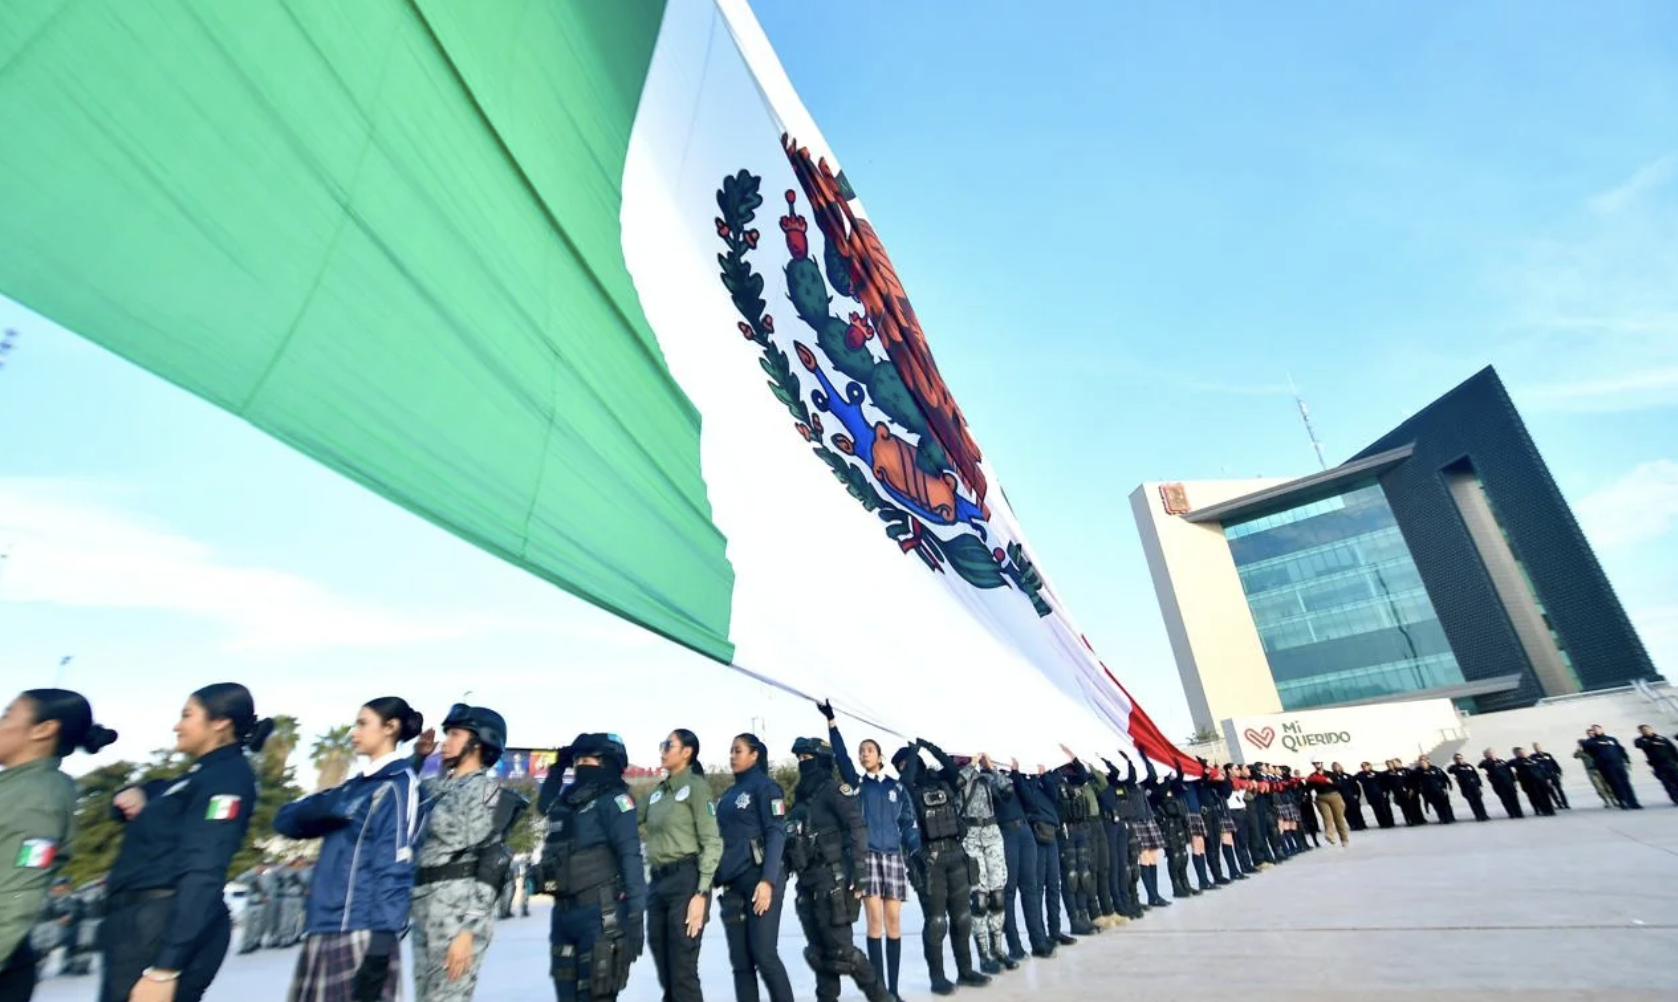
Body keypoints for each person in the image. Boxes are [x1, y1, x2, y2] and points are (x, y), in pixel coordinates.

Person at [100, 683, 265, 1002]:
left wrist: (166, 967)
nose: (177, 725)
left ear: (220, 722)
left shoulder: (228, 778)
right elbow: (160, 794)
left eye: (187, 715)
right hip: (139, 924)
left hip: (160, 926)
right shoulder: (198, 776)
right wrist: (136, 792)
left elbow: (204, 869)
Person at [275, 696, 424, 1002]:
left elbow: (395, 865)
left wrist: (380, 947)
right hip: (323, 926)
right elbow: (285, 821)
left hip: (362, 931)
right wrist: (326, 808)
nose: (353, 732)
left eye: (362, 723)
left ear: (390, 727)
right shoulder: (352, 788)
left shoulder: (398, 784)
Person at [0, 689, 115, 1002]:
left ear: (44, 729)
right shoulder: (15, 786)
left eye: (7, 715)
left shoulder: (38, 797)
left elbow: (19, 892)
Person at [410, 704, 524, 1002]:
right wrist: (417, 757)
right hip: (424, 907)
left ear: (478, 742)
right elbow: (398, 795)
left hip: (457, 913)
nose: (445, 742)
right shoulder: (434, 787)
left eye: (455, 734)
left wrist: (468, 932)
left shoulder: (487, 792)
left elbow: (492, 861)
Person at [535, 733, 647, 1002]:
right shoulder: (567, 801)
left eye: (588, 760)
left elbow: (631, 856)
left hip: (600, 915)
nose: (581, 766)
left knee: (596, 995)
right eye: (578, 761)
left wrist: (636, 915)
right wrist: (557, 768)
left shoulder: (616, 800)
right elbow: (544, 804)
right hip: (563, 915)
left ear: (608, 762)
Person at [786, 737, 890, 1002]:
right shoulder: (801, 798)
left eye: (807, 758)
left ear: (821, 760)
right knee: (819, 953)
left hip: (832, 880)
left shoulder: (833, 790)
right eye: (799, 759)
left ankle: (882, 998)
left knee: (843, 953)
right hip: (807, 882)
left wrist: (860, 870)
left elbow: (857, 826)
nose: (802, 763)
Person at [824, 710, 919, 999]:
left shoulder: (896, 787)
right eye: (861, 751)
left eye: (869, 750)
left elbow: (908, 823)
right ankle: (880, 992)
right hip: (868, 859)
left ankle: (893, 990)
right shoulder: (857, 786)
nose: (864, 754)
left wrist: (916, 849)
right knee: (875, 923)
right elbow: (841, 758)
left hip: (893, 859)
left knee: (894, 924)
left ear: (879, 756)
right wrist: (832, 724)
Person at [894, 740, 987, 994]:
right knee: (936, 922)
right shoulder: (906, 790)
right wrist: (913, 752)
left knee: (962, 918)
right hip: (929, 861)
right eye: (902, 764)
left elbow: (954, 772)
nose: (907, 767)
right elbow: (907, 780)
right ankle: (937, 977)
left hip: (956, 853)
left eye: (909, 762)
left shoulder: (942, 781)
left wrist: (931, 748)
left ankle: (965, 971)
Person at [640, 729, 722, 1002]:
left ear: (686, 752)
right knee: (665, 968)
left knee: (682, 971)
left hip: (686, 882)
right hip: (657, 884)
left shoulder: (696, 788)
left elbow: (712, 841)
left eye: (668, 745)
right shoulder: (658, 792)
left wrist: (701, 893)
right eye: (662, 745)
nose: (662, 751)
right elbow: (630, 817)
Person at [714, 733, 794, 1002]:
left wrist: (768, 881)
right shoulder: (728, 795)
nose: (732, 756)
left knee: (764, 954)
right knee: (741, 962)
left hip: (760, 878)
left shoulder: (766, 788)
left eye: (738, 750)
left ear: (754, 754)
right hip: (733, 883)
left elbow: (776, 833)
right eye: (731, 751)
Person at [1010, 766, 1071, 953]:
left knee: (1053, 885)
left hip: (1051, 833)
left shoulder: (1044, 780)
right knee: (1036, 888)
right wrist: (1019, 773)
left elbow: (1054, 795)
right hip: (1036, 834)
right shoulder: (1021, 781)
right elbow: (1030, 800)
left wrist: (1043, 775)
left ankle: (1055, 931)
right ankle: (1040, 935)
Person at [995, 760, 1048, 959]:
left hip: (1025, 831)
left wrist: (1017, 774)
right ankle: (1014, 946)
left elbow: (1032, 802)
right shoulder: (985, 777)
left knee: (1030, 888)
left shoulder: (1014, 776)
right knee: (1008, 891)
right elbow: (1003, 794)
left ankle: (1039, 942)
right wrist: (991, 768)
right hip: (1005, 833)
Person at [1580, 726, 1641, 810]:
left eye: (1598, 729)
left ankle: (1634, 802)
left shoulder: (1611, 739)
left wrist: (1627, 760)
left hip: (1618, 763)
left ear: (1601, 729)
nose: (1596, 731)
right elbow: (1586, 750)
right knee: (1615, 783)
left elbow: (1621, 749)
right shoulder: (1590, 742)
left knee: (1626, 783)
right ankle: (1623, 801)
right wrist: (1597, 743)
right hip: (1606, 766)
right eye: (1594, 730)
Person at [1304, 763, 1349, 846]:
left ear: (1321, 763)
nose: (1316, 765)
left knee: (1339, 819)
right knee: (1327, 817)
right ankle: (1330, 835)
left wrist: (1331, 782)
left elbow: (1339, 785)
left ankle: (1344, 839)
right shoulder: (1312, 775)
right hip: (1321, 798)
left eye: (1318, 763)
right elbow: (1308, 789)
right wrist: (1307, 783)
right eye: (1314, 764)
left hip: (1334, 796)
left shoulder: (1330, 774)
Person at [1633, 725, 1678, 805]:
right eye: (1643, 730)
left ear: (1652, 729)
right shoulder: (1641, 740)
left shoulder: (1662, 738)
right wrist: (1652, 743)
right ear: (1640, 732)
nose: (1646, 731)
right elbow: (1638, 745)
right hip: (1658, 765)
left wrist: (1676, 760)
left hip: (1670, 763)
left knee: (1676, 780)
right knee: (1667, 783)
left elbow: (1673, 749)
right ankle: (1675, 799)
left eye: (1647, 729)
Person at [1478, 749, 1524, 819]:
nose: (1492, 754)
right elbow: (1480, 766)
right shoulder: (1487, 762)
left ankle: (1519, 813)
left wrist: (1514, 780)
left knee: (1514, 798)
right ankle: (1512, 813)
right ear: (1486, 755)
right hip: (1499, 784)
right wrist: (1490, 760)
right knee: (1505, 799)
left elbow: (1509, 771)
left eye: (1493, 752)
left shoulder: (1501, 761)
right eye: (1489, 753)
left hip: (1509, 782)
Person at [1510, 748, 1555, 817]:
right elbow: (1510, 764)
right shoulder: (1516, 761)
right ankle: (1543, 810)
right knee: (1537, 797)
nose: (1523, 754)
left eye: (1524, 752)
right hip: (1529, 783)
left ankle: (1550, 810)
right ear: (1518, 754)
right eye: (1521, 753)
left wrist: (1547, 778)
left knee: (1545, 795)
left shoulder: (1534, 759)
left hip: (1541, 780)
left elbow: (1541, 769)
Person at [1574, 741, 1619, 809]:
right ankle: (1606, 801)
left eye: (1581, 744)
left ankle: (1614, 800)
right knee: (1598, 787)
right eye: (1580, 744)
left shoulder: (1593, 750)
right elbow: (1575, 756)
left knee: (1607, 785)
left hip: (1600, 769)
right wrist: (1578, 748)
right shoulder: (1582, 753)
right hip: (1591, 771)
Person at [1446, 754, 1489, 822]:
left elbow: (1476, 774)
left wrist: (1479, 784)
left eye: (1460, 758)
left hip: (1474, 786)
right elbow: (1449, 771)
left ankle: (1484, 815)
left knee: (1479, 801)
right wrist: (1457, 766)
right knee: (1472, 801)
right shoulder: (1454, 767)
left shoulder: (1469, 766)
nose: (1459, 759)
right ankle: (1478, 816)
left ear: (1463, 758)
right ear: (1455, 760)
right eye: (1457, 759)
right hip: (1465, 787)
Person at [1412, 757, 1454, 824]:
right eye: (1421, 763)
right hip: (1429, 792)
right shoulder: (1418, 771)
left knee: (1444, 804)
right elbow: (1414, 781)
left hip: (1439, 790)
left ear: (1427, 762)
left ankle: (1449, 818)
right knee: (1437, 806)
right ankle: (1442, 818)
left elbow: (1443, 777)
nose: (1423, 765)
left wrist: (1448, 784)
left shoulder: (1435, 769)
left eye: (1424, 763)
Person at [1529, 743, 1569, 811]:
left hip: (1553, 775)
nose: (1537, 748)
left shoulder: (1547, 754)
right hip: (1545, 777)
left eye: (1538, 747)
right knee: (1551, 791)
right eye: (1535, 747)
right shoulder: (1533, 757)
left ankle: (1565, 804)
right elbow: (1537, 767)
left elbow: (1554, 763)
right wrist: (1544, 777)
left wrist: (1559, 772)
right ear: (1534, 748)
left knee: (1560, 790)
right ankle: (1558, 804)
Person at [1356, 762, 1393, 829]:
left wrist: (1384, 791)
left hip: (1380, 794)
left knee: (1384, 809)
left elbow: (1383, 782)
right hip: (1371, 795)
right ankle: (1382, 823)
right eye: (1363, 766)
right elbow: (1359, 779)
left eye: (1366, 766)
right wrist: (1367, 775)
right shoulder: (1360, 774)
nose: (1365, 767)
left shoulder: (1377, 773)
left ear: (1369, 766)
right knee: (1376, 810)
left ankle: (1388, 822)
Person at [1333, 763, 1366, 832]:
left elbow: (1355, 785)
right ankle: (1353, 825)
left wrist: (1356, 794)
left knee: (1356, 810)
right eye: (1335, 767)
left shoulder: (1347, 775)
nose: (1336, 768)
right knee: (1347, 812)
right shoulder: (1333, 777)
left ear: (1340, 766)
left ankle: (1361, 824)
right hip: (1342, 798)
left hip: (1352, 796)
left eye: (1337, 766)